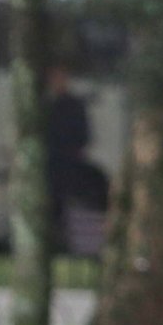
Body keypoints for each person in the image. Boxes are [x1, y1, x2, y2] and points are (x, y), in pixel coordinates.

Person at [45, 65, 110, 244]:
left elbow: (83, 136)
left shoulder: (73, 106)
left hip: (67, 162)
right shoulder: (47, 105)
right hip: (52, 162)